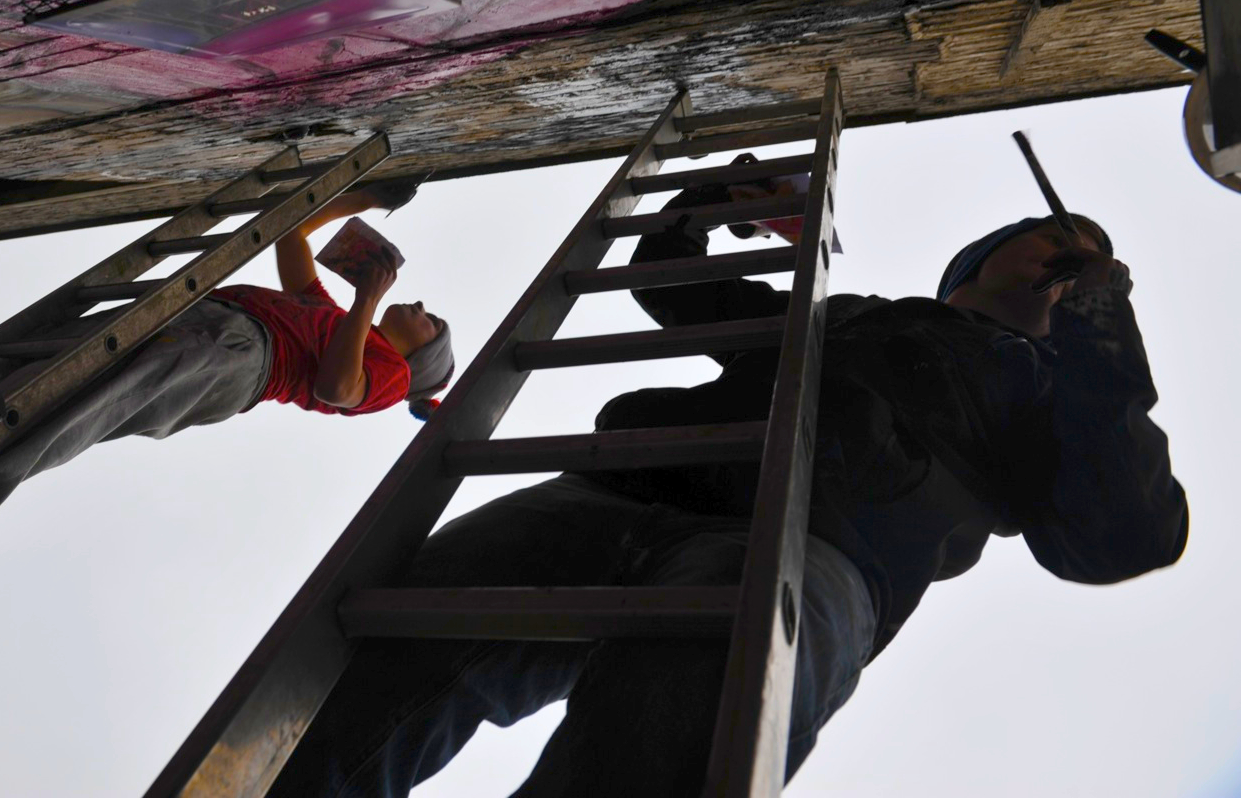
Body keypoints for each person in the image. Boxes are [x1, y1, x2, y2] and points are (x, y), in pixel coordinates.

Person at [270, 177, 1187, 798]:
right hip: (625, 491)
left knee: (666, 751)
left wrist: (1102, 338)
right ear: (976, 263)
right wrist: (719, 196)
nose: (1075, 260)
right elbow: (666, 276)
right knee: (369, 679)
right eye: (1056, 240)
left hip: (820, 556)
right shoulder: (852, 320)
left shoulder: (1061, 399)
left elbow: (1121, 539)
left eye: (1094, 262)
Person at [0, 184, 454, 535]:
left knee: (76, 406)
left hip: (235, 358)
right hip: (204, 321)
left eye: (431, 322)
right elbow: (293, 241)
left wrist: (369, 298)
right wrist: (346, 202)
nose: (420, 310)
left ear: (418, 355)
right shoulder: (330, 314)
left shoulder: (386, 375)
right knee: (22, 367)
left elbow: (334, 390)